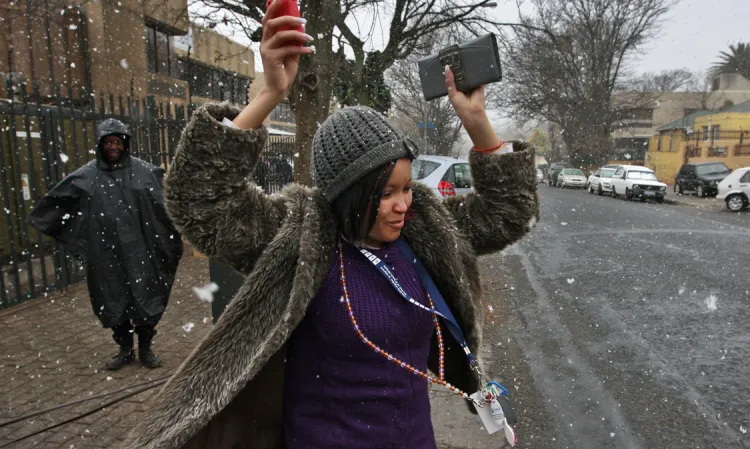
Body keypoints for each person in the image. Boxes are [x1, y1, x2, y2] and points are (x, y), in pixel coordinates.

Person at [121, 2, 539, 448]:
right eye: (385, 193)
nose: (403, 205)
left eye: (406, 187)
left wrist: (477, 121)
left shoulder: (424, 229)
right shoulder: (302, 239)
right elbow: (199, 200)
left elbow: (507, 214)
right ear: (348, 194)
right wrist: (268, 96)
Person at [29, 118, 183, 371]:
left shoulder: (146, 173)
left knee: (147, 298)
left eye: (117, 142)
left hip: (141, 252)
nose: (113, 146)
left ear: (125, 144)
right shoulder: (86, 176)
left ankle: (145, 348)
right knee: (112, 300)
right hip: (105, 254)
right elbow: (55, 205)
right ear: (100, 145)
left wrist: (168, 239)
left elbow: (169, 205)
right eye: (108, 142)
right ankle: (124, 349)